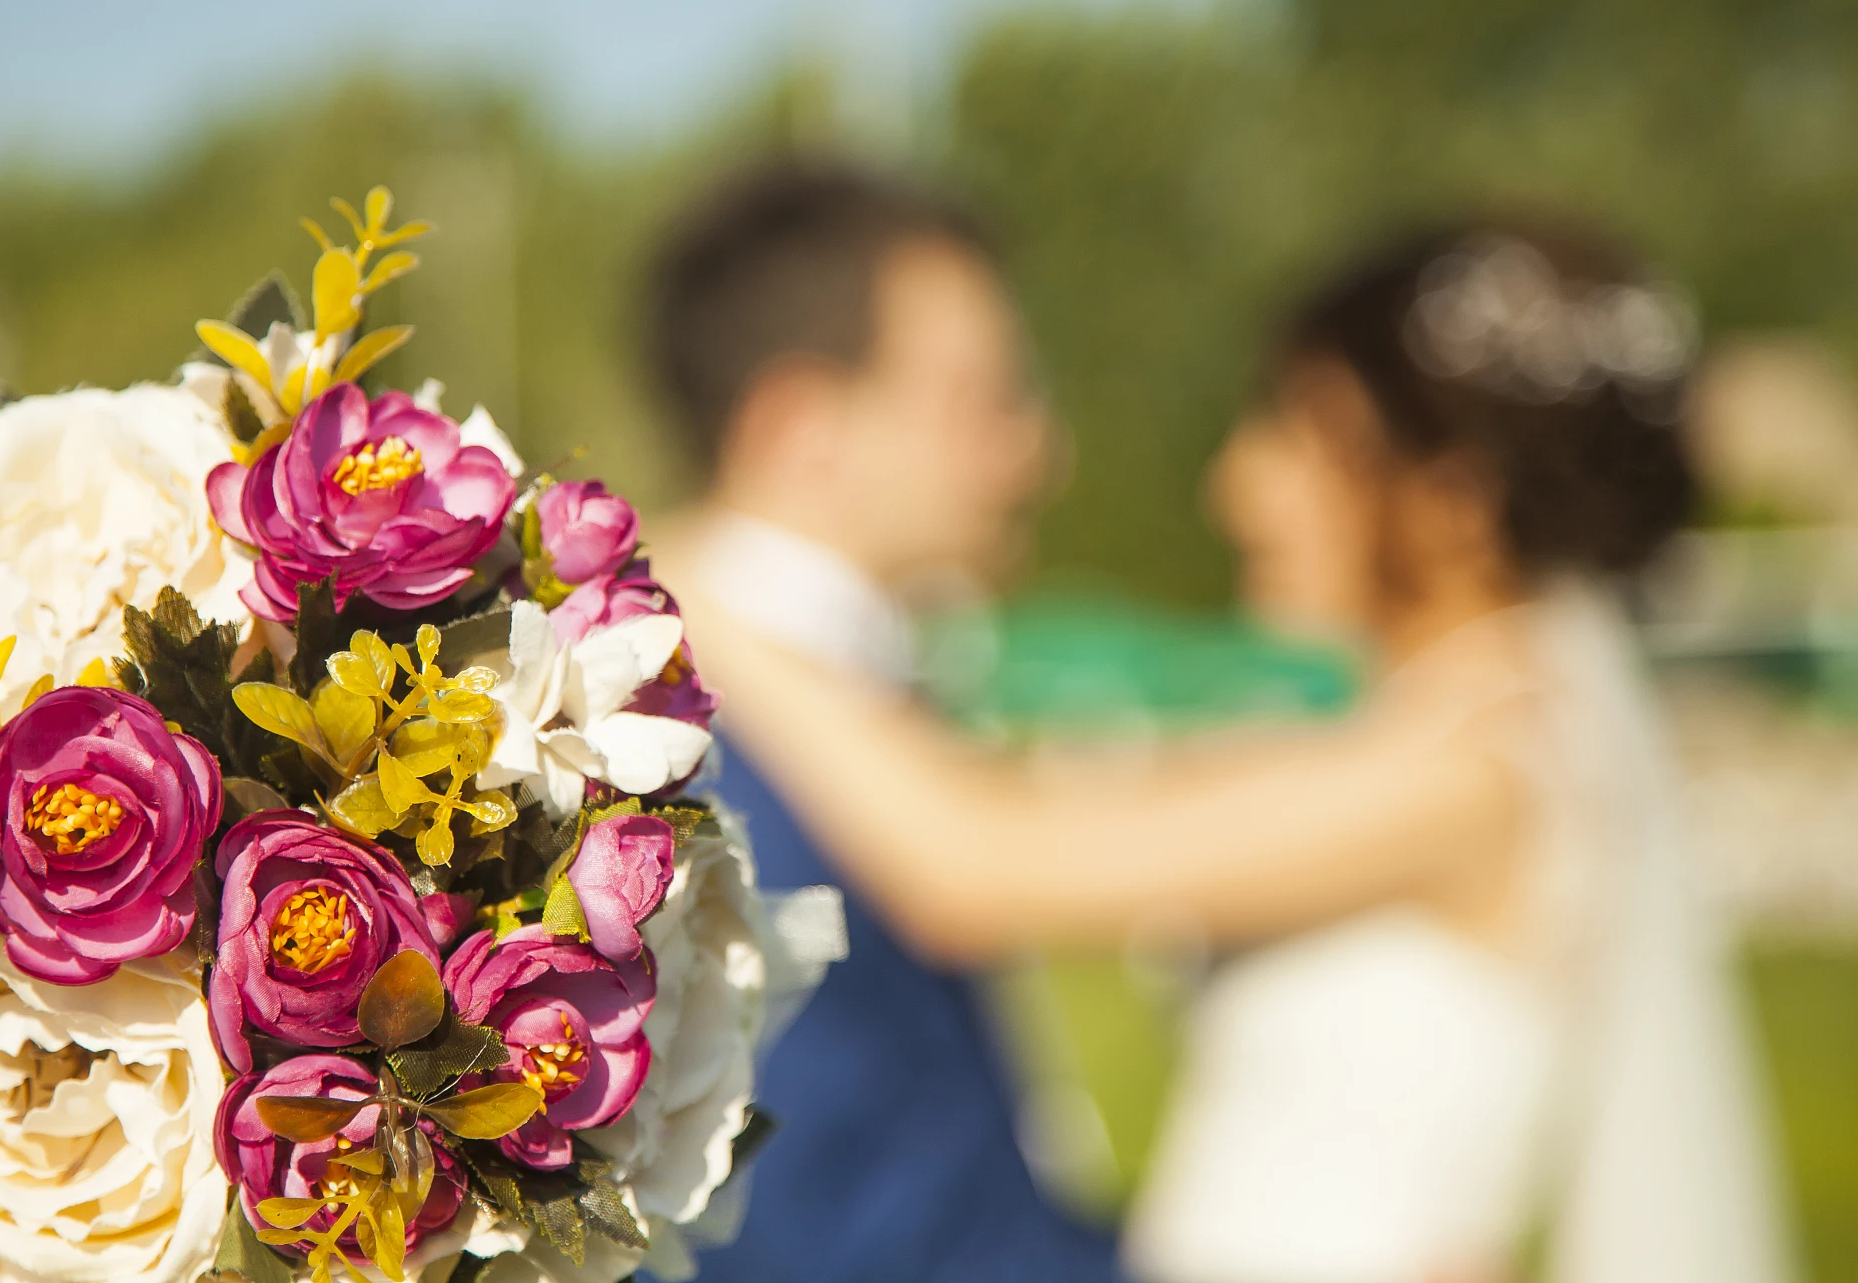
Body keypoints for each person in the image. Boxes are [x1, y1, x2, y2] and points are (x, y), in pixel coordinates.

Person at [680, 219, 1796, 1283]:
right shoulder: (1407, 740)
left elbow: (978, 861)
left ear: (1448, 494)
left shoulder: (1470, 776)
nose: (1236, 487)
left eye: (1300, 439)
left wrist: (695, 595)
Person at [641, 162, 1119, 1282]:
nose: (1035, 451)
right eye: (984, 400)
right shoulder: (675, 755)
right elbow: (804, 1210)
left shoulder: (837, 696)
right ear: (801, 427)